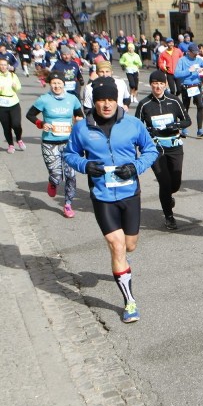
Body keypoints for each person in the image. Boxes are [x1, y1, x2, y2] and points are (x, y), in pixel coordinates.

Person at [63, 77, 159, 323]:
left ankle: (121, 263)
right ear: (93, 102)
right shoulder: (82, 128)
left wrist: (135, 167)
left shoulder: (133, 124)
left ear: (117, 100)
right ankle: (129, 301)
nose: (106, 105)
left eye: (110, 100)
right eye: (101, 100)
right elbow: (69, 154)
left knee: (129, 246)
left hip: (130, 194)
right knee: (117, 247)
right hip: (102, 195)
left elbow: (151, 151)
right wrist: (85, 165)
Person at [135, 70, 192, 230]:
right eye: (155, 83)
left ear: (165, 84)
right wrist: (147, 132)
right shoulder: (144, 104)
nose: (158, 86)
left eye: (161, 83)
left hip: (174, 146)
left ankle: (168, 197)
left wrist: (177, 125)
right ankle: (169, 216)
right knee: (164, 183)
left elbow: (187, 120)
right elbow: (137, 128)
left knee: (175, 182)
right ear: (151, 84)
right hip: (155, 149)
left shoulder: (174, 101)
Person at [25, 70, 85, 217]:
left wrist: (78, 120)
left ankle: (68, 204)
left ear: (64, 84)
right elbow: (30, 115)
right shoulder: (44, 99)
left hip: (69, 143)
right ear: (49, 84)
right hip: (49, 142)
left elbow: (79, 115)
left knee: (71, 175)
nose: (56, 86)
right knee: (57, 175)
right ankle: (53, 182)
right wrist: (41, 123)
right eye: (53, 83)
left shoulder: (72, 99)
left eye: (59, 83)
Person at [174, 43, 203, 137]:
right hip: (186, 86)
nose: (196, 54)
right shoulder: (182, 60)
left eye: (197, 52)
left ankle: (200, 129)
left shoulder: (199, 60)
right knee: (185, 107)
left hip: (196, 86)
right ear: (189, 52)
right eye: (194, 53)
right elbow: (176, 74)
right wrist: (189, 70)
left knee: (200, 106)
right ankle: (184, 128)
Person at [0, 57, 24, 153]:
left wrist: (16, 86)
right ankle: (11, 145)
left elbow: (19, 88)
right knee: (6, 126)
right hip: (1, 104)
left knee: (16, 124)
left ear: (8, 66)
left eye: (5, 65)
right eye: (1, 64)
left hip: (13, 102)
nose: (3, 66)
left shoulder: (13, 75)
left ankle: (19, 139)